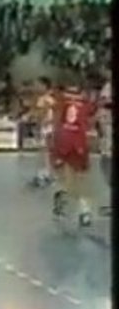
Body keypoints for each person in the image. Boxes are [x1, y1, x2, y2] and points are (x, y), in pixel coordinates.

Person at [50, 78, 97, 227]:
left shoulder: (61, 101)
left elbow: (55, 119)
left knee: (64, 176)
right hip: (78, 141)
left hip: (63, 138)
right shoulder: (86, 103)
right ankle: (84, 210)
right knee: (81, 178)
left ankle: (62, 200)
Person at [30, 77, 57, 188]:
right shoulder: (46, 99)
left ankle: (47, 175)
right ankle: (45, 173)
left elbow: (43, 114)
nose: (36, 87)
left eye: (38, 85)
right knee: (44, 152)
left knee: (45, 152)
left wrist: (40, 122)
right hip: (45, 127)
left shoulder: (46, 99)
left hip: (46, 128)